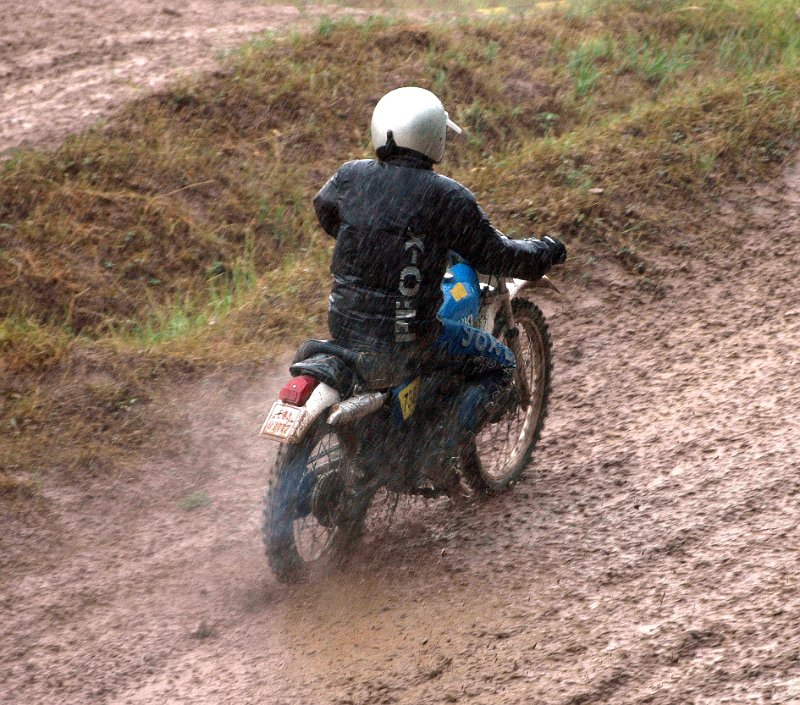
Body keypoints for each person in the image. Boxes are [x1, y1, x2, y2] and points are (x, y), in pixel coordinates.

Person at [312, 86, 566, 464]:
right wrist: (547, 250)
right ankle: (437, 456)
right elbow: (497, 255)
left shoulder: (350, 176)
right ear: (432, 136)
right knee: (501, 364)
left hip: (343, 327)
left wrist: (377, 244)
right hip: (410, 337)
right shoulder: (447, 196)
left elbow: (325, 211)